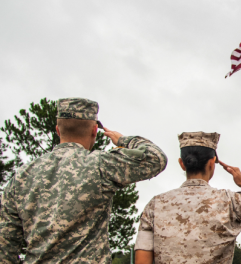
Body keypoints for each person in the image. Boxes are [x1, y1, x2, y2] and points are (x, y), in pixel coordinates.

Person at [0, 97, 168, 263]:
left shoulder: (21, 177)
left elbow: (4, 248)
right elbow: (156, 158)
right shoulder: (100, 165)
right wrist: (123, 140)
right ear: (95, 130)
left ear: (58, 130)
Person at [134, 131, 241, 264]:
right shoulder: (231, 202)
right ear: (212, 163)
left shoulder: (155, 204)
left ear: (182, 163)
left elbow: (142, 259)